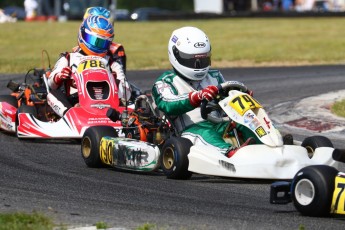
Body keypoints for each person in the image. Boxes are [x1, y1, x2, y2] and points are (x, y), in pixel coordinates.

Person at [152, 26, 257, 158]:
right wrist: (196, 97)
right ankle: (232, 154)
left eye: (203, 60)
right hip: (191, 130)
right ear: (175, 55)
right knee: (205, 134)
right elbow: (167, 103)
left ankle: (271, 144)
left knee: (247, 121)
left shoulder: (215, 76)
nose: (199, 65)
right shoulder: (165, 82)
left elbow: (227, 99)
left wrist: (240, 96)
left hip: (220, 124)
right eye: (192, 60)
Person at [47, 15, 131, 117]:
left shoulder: (112, 63)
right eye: (95, 41)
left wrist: (115, 82)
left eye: (103, 43)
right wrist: (59, 77)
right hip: (75, 102)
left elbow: (127, 93)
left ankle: (118, 117)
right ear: (83, 34)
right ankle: (70, 116)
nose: (97, 46)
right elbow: (51, 84)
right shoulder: (69, 58)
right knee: (52, 94)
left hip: (107, 104)